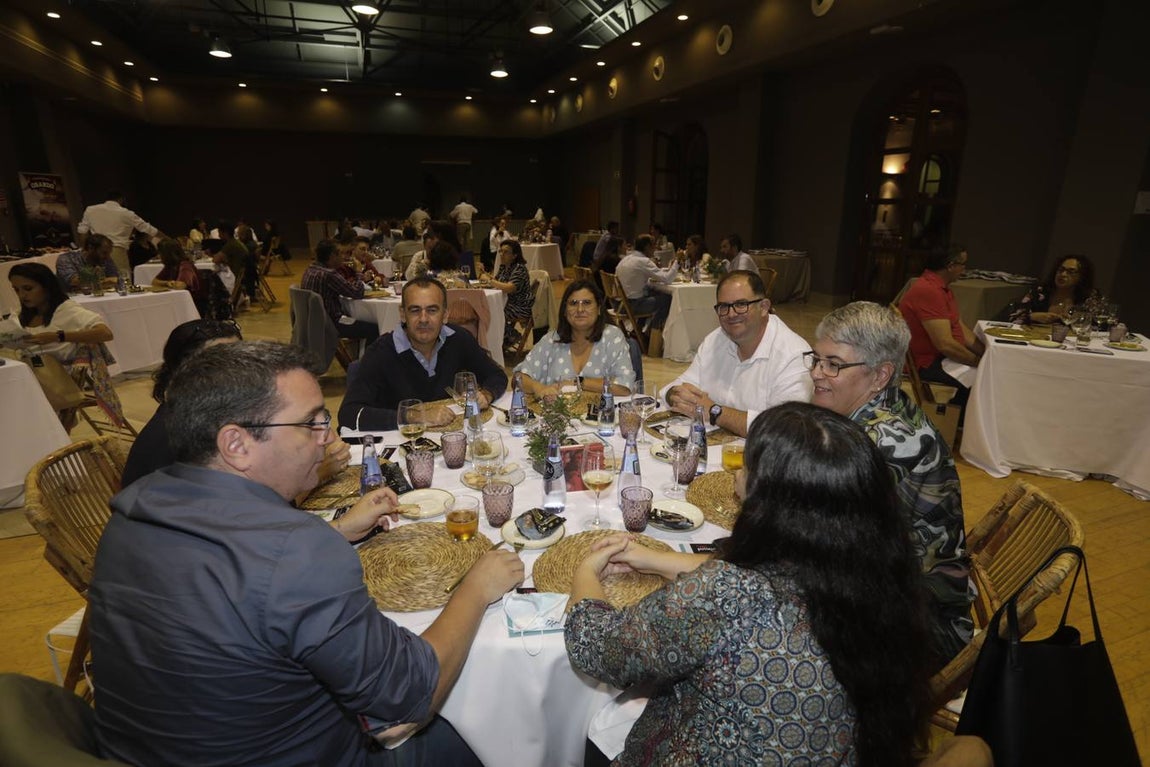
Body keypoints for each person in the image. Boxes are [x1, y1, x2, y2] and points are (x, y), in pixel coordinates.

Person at [89, 341, 524, 766]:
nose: (327, 438)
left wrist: (335, 531)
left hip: (143, 751)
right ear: (236, 444)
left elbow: (235, 581)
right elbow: (408, 699)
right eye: (311, 423)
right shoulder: (296, 550)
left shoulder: (135, 509)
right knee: (498, 725)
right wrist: (475, 588)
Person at [566, 402, 931, 767]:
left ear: (771, 498)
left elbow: (599, 649)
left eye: (747, 465)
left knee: (595, 734)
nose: (737, 476)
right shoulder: (877, 578)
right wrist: (654, 560)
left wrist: (585, 571)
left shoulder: (729, 594)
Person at [808, 301, 974, 668]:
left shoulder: (887, 443)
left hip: (915, 626)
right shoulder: (873, 414)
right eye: (816, 359)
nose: (817, 373)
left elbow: (816, 537)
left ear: (880, 375)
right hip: (884, 593)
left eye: (833, 364)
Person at [338, 277, 507, 431]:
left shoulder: (459, 339)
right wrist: (415, 417)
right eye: (415, 310)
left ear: (445, 315)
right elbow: (348, 414)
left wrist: (486, 395)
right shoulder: (381, 353)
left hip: (451, 436)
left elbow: (497, 375)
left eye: (432, 310)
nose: (424, 319)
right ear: (403, 314)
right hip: (401, 444)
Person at [662, 270, 811, 437]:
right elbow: (680, 385)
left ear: (764, 307)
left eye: (741, 305)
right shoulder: (716, 340)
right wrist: (674, 395)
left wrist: (715, 412)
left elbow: (785, 429)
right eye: (724, 307)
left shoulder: (794, 355)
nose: (731, 314)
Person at [7, 262, 126, 428]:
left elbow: (105, 333)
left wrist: (58, 336)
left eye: (28, 288)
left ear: (46, 286)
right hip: (25, 374)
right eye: (16, 290)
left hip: (54, 379)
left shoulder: (67, 310)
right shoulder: (21, 315)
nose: (22, 295)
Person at [516, 279, 634, 399]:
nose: (580, 309)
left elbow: (624, 387)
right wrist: (538, 388)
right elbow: (517, 379)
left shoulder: (612, 336)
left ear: (599, 308)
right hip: (558, 410)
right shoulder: (552, 340)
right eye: (573, 303)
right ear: (565, 311)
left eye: (587, 303)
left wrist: (578, 383)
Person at [898, 246, 983, 407]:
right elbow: (945, 344)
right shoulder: (929, 291)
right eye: (963, 264)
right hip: (926, 363)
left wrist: (985, 353)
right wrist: (979, 362)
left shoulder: (941, 289)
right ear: (950, 266)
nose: (964, 269)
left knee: (983, 375)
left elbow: (958, 326)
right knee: (981, 382)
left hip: (939, 358)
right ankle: (956, 421)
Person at [301, 238, 380, 343]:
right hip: (332, 323)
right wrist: (358, 271)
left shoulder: (310, 269)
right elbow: (357, 292)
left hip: (312, 322)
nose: (342, 257)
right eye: (340, 253)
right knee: (375, 328)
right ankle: (367, 354)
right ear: (332, 256)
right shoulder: (329, 274)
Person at [614, 234, 678, 356]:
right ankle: (653, 336)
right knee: (667, 299)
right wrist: (677, 262)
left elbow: (636, 281)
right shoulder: (643, 261)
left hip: (618, 304)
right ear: (647, 247)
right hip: (631, 306)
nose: (655, 249)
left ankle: (638, 331)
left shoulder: (626, 259)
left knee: (652, 292)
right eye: (653, 246)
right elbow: (668, 278)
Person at [76, 189, 162, 275]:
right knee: (122, 278)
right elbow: (148, 229)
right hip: (116, 250)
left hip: (95, 251)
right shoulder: (126, 213)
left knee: (98, 279)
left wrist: (85, 249)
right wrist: (166, 238)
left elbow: (82, 231)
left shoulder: (90, 210)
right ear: (121, 199)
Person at [1007, 254, 1098, 325]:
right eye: (1061, 270)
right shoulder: (1040, 292)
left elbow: (1098, 327)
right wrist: (1032, 316)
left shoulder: (1089, 298)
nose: (1063, 274)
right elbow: (1012, 317)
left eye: (1071, 272)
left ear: (1082, 277)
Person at [479, 239, 533, 350]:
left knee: (490, 312)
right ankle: (498, 340)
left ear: (515, 255)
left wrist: (489, 280)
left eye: (506, 252)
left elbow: (509, 288)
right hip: (507, 303)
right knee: (483, 309)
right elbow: (498, 282)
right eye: (500, 251)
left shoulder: (519, 269)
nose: (502, 254)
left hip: (519, 306)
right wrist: (485, 274)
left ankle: (511, 336)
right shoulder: (504, 267)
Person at [54, 234, 121, 290]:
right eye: (104, 253)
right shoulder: (66, 259)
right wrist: (106, 281)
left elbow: (116, 278)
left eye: (109, 253)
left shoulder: (105, 259)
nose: (108, 257)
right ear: (91, 248)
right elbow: (74, 281)